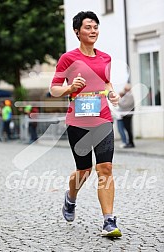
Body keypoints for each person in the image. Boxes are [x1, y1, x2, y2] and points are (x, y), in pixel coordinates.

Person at [50, 11, 122, 237]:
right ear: (77, 32)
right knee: (84, 170)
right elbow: (53, 89)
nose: (93, 31)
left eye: (95, 27)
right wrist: (69, 89)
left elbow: (106, 82)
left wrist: (112, 94)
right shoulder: (68, 59)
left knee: (106, 168)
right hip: (78, 121)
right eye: (88, 27)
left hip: (102, 119)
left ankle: (109, 221)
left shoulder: (105, 58)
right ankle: (70, 199)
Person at [118, 83, 135, 148]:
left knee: (128, 129)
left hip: (127, 115)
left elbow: (125, 105)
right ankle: (129, 142)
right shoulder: (126, 95)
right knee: (126, 129)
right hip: (125, 115)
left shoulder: (129, 95)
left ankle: (131, 143)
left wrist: (118, 101)